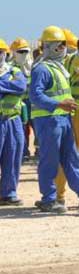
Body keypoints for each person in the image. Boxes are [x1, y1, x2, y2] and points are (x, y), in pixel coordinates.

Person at [30, 26, 79, 215]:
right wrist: (58, 104)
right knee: (50, 160)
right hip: (48, 120)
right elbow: (35, 95)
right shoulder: (42, 69)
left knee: (72, 159)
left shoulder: (59, 67)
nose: (63, 49)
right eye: (59, 46)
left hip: (63, 119)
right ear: (48, 46)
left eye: (64, 45)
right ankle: (49, 199)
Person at [0, 38, 27, 206]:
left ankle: (8, 193)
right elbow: (14, 87)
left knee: (13, 156)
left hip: (12, 120)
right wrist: (8, 87)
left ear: (6, 53)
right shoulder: (11, 76)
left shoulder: (15, 71)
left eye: (0, 52)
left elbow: (20, 86)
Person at [9, 37, 33, 161]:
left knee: (37, 127)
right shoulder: (10, 68)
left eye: (25, 51)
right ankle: (23, 152)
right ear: (14, 53)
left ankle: (38, 150)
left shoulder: (33, 66)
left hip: (33, 102)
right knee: (22, 128)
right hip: (19, 103)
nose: (23, 54)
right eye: (20, 52)